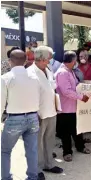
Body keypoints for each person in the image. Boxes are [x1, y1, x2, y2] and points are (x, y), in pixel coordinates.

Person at [1, 49, 41, 180]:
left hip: (15, 119)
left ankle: (6, 178)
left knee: (5, 151)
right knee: (32, 151)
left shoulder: (6, 78)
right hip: (33, 117)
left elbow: (1, 102)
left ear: (10, 62)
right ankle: (32, 177)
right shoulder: (34, 77)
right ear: (25, 61)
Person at [27, 46, 63, 179]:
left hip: (51, 111)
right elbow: (29, 96)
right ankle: (36, 169)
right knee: (37, 143)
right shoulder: (30, 73)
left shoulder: (48, 69)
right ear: (42, 59)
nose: (50, 60)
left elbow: (52, 88)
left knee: (49, 140)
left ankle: (49, 164)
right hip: (38, 114)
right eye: (49, 58)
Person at [55, 51, 91, 162]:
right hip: (65, 108)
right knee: (66, 132)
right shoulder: (62, 73)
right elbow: (66, 91)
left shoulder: (70, 71)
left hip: (74, 107)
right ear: (73, 61)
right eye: (75, 60)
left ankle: (80, 147)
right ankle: (67, 152)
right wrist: (81, 97)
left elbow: (75, 86)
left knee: (77, 129)